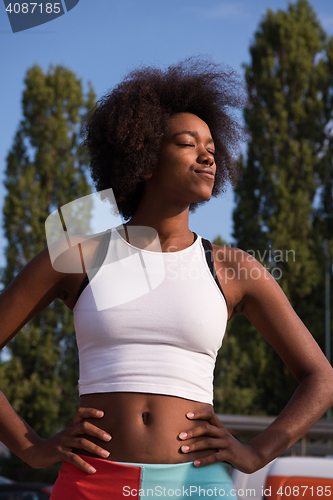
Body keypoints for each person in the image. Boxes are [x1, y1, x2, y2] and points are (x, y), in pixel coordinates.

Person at [0, 58, 332, 499]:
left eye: (212, 145)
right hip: (91, 484)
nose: (208, 154)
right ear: (145, 160)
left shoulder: (233, 269)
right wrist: (32, 447)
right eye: (187, 143)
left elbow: (320, 377)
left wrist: (257, 452)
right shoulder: (76, 257)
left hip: (197, 485)